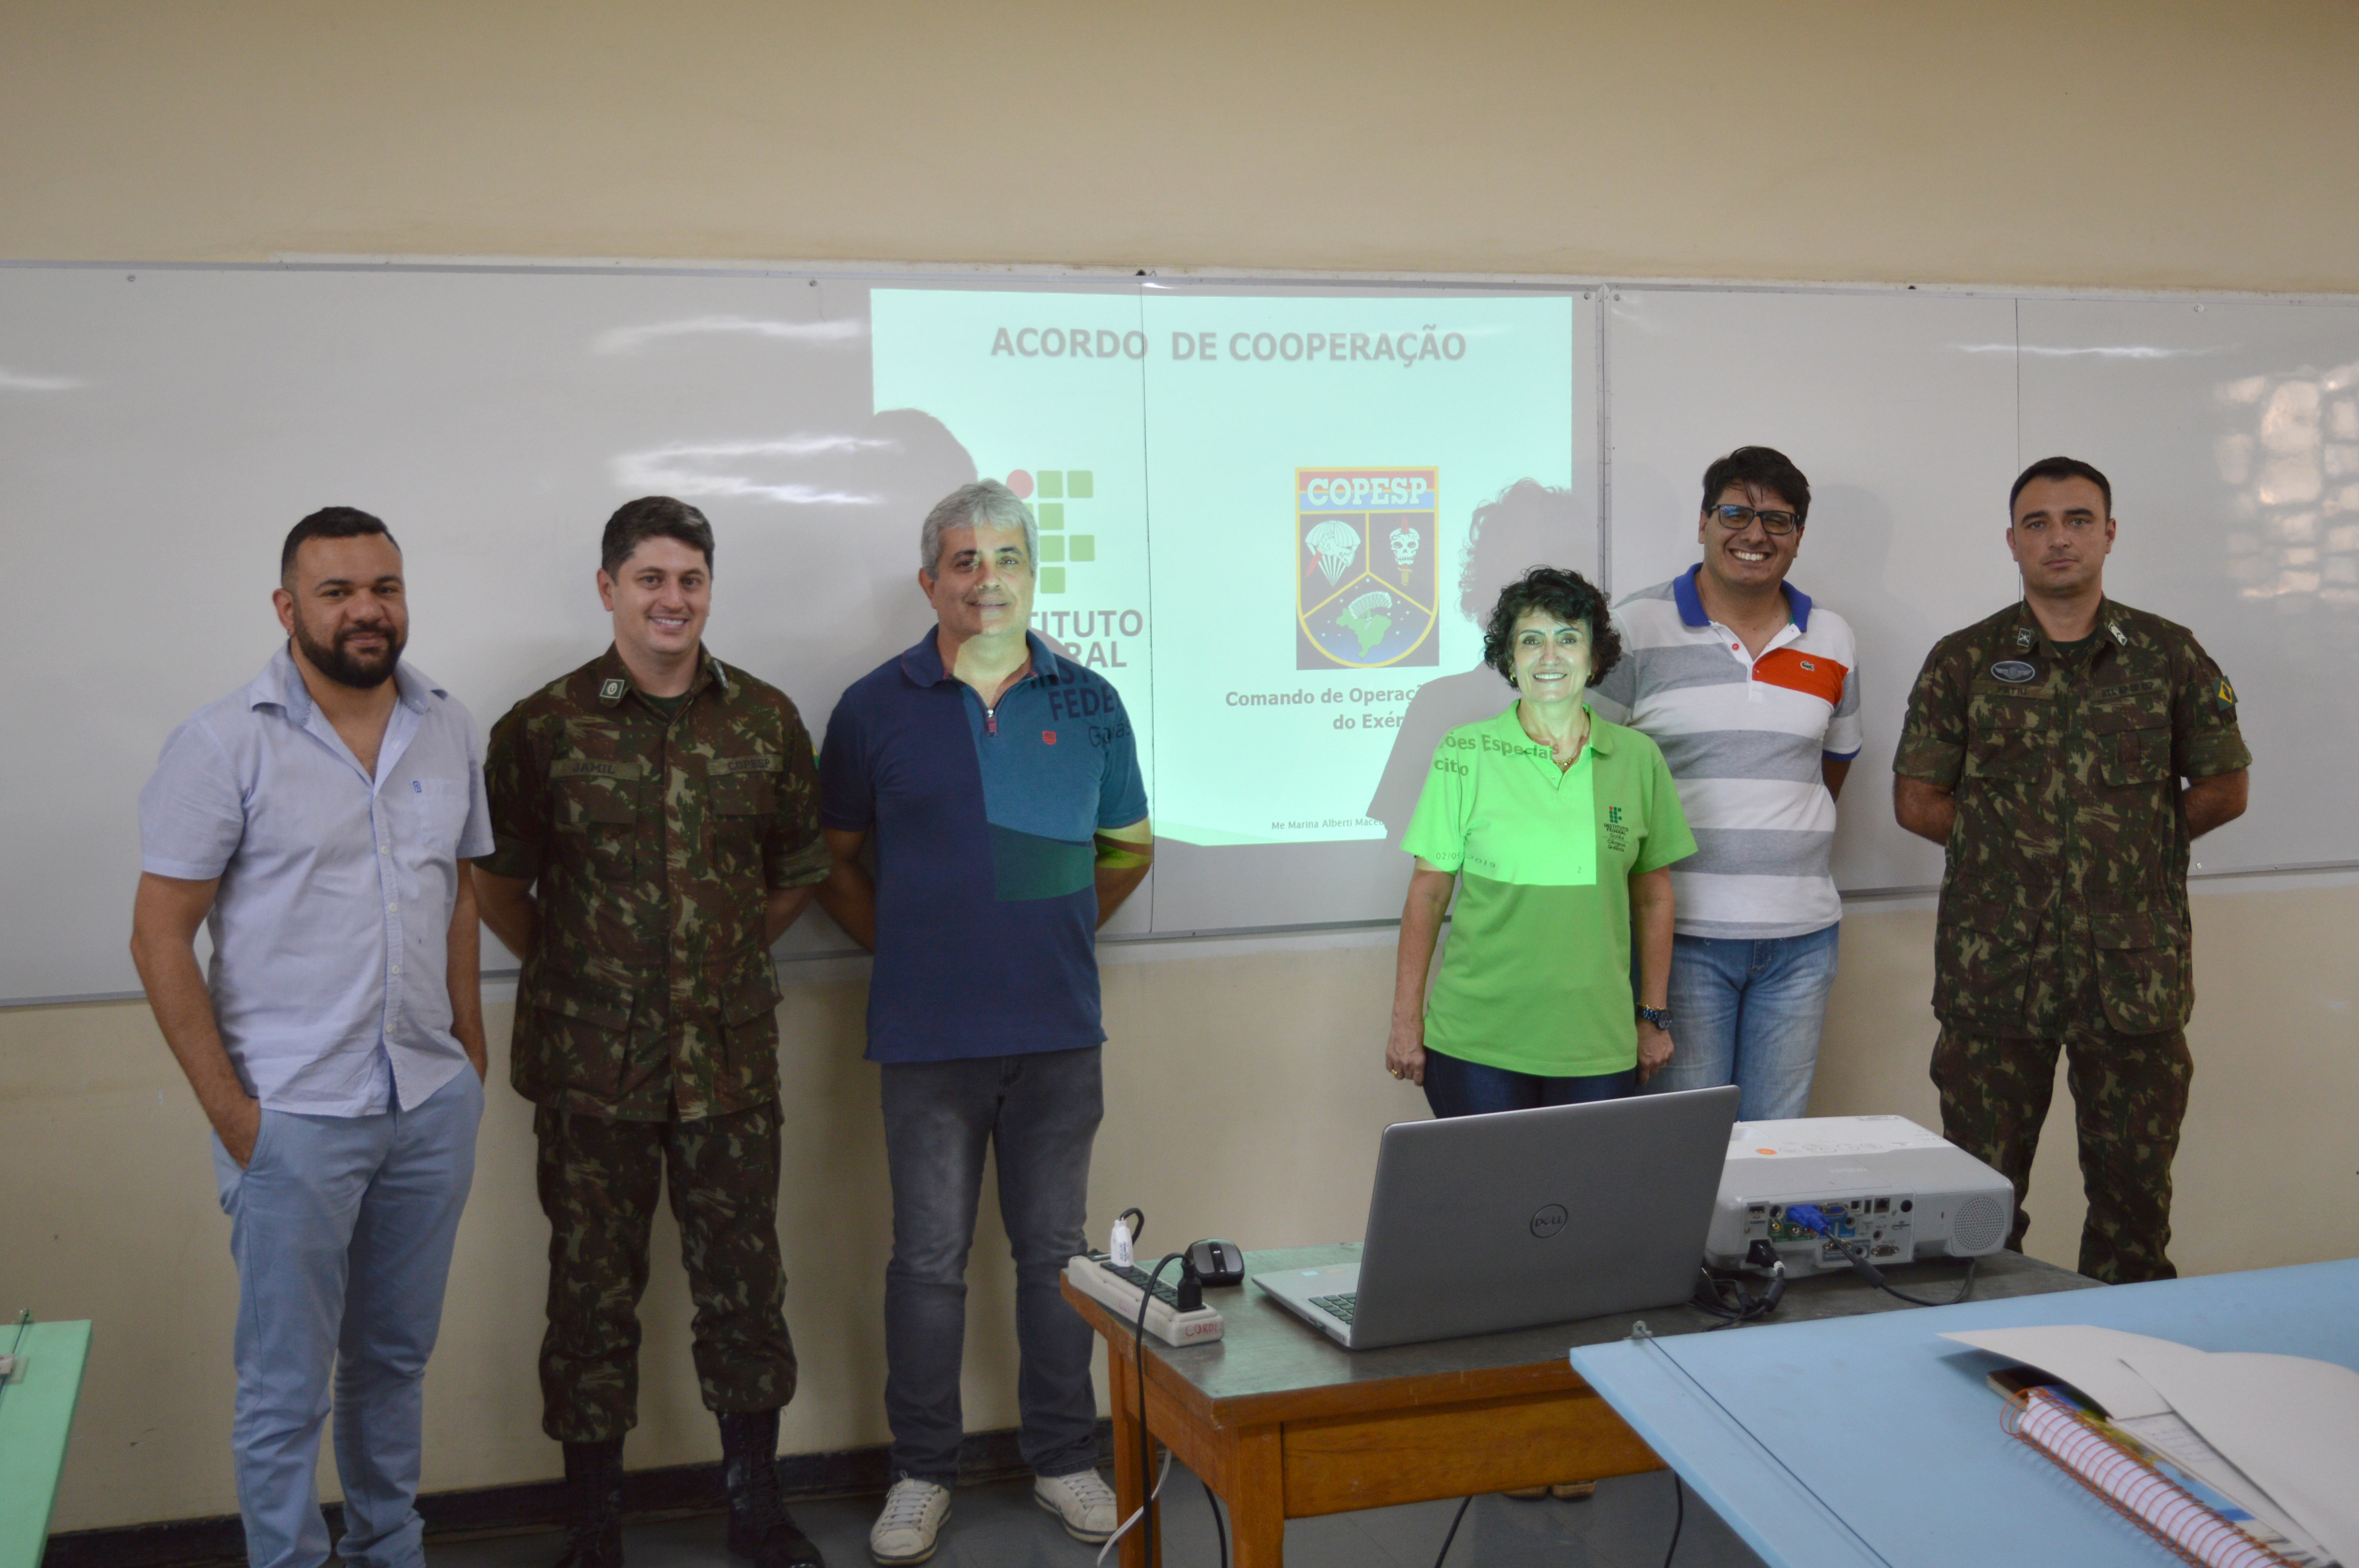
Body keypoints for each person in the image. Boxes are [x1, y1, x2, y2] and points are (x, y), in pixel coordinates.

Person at [130, 507, 490, 1568]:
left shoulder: (447, 722)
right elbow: (160, 938)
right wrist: (236, 1116)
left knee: (392, 1363)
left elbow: (461, 890)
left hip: (429, 1103)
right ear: (289, 610)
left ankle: (391, 1547)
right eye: (337, 592)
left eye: (384, 586)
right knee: (285, 1386)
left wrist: (470, 1048)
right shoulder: (220, 743)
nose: (367, 610)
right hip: (292, 1115)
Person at [474, 497, 829, 1568]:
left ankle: (755, 1508)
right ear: (608, 590)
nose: (673, 600)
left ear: (709, 590)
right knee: (588, 1297)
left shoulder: (766, 720)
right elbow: (498, 884)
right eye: (651, 580)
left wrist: (703, 968)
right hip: (593, 1070)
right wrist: (589, 974)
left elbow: (791, 880)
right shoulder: (540, 729)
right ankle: (593, 1529)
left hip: (725, 1064)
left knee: (744, 1289)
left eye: (691, 580)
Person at [815, 479, 1152, 1567]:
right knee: (927, 1263)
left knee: (1057, 1258)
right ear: (931, 582)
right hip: (925, 1039)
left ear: (1031, 575)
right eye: (964, 562)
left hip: (1057, 1032)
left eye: (1006, 559)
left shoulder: (1092, 699)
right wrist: (914, 947)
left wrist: (1043, 930)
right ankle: (922, 1475)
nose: (986, 580)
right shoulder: (873, 706)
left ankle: (1063, 1460)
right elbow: (836, 865)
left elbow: (1131, 851)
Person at [1894, 456, 2250, 1284]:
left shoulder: (2165, 653)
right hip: (1996, 973)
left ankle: (2123, 1384)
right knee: (1977, 1206)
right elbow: (1917, 801)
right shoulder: (1965, 660)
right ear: (2012, 541)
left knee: (2133, 1206)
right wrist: (2017, 853)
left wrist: (2132, 847)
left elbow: (2224, 785)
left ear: (2109, 533)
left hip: (2131, 974)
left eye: (2078, 519)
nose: (2058, 538)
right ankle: (1982, 1363)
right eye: (2038, 522)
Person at [1592, 446, 1862, 1121]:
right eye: (1736, 513)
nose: (1755, 535)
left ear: (1799, 537)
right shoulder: (1634, 628)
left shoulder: (1831, 637)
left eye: (1778, 520)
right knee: (1688, 1149)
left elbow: (1834, 764)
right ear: (1705, 523)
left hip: (1802, 942)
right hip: (1681, 944)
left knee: (1774, 1149)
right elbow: (1589, 773)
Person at [1385, 565, 1696, 1116]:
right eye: (1531, 641)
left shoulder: (1638, 758)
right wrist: (1407, 1023)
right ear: (1509, 660)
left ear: (1595, 658)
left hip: (1597, 1047)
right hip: (1476, 1043)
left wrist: (1653, 1016)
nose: (1549, 656)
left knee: (1582, 1202)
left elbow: (1654, 896)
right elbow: (1428, 895)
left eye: (1568, 639)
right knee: (1492, 1200)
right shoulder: (1465, 752)